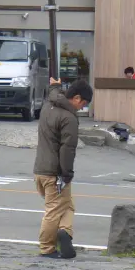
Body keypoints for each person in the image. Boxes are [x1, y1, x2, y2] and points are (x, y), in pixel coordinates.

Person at [33, 77, 93, 259]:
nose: (81, 107)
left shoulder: (47, 105)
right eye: (83, 103)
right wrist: (67, 174)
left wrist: (55, 86)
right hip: (55, 173)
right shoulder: (69, 118)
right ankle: (47, 248)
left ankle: (65, 232)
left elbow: (54, 93)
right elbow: (67, 150)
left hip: (39, 169)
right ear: (76, 98)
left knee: (67, 204)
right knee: (53, 210)